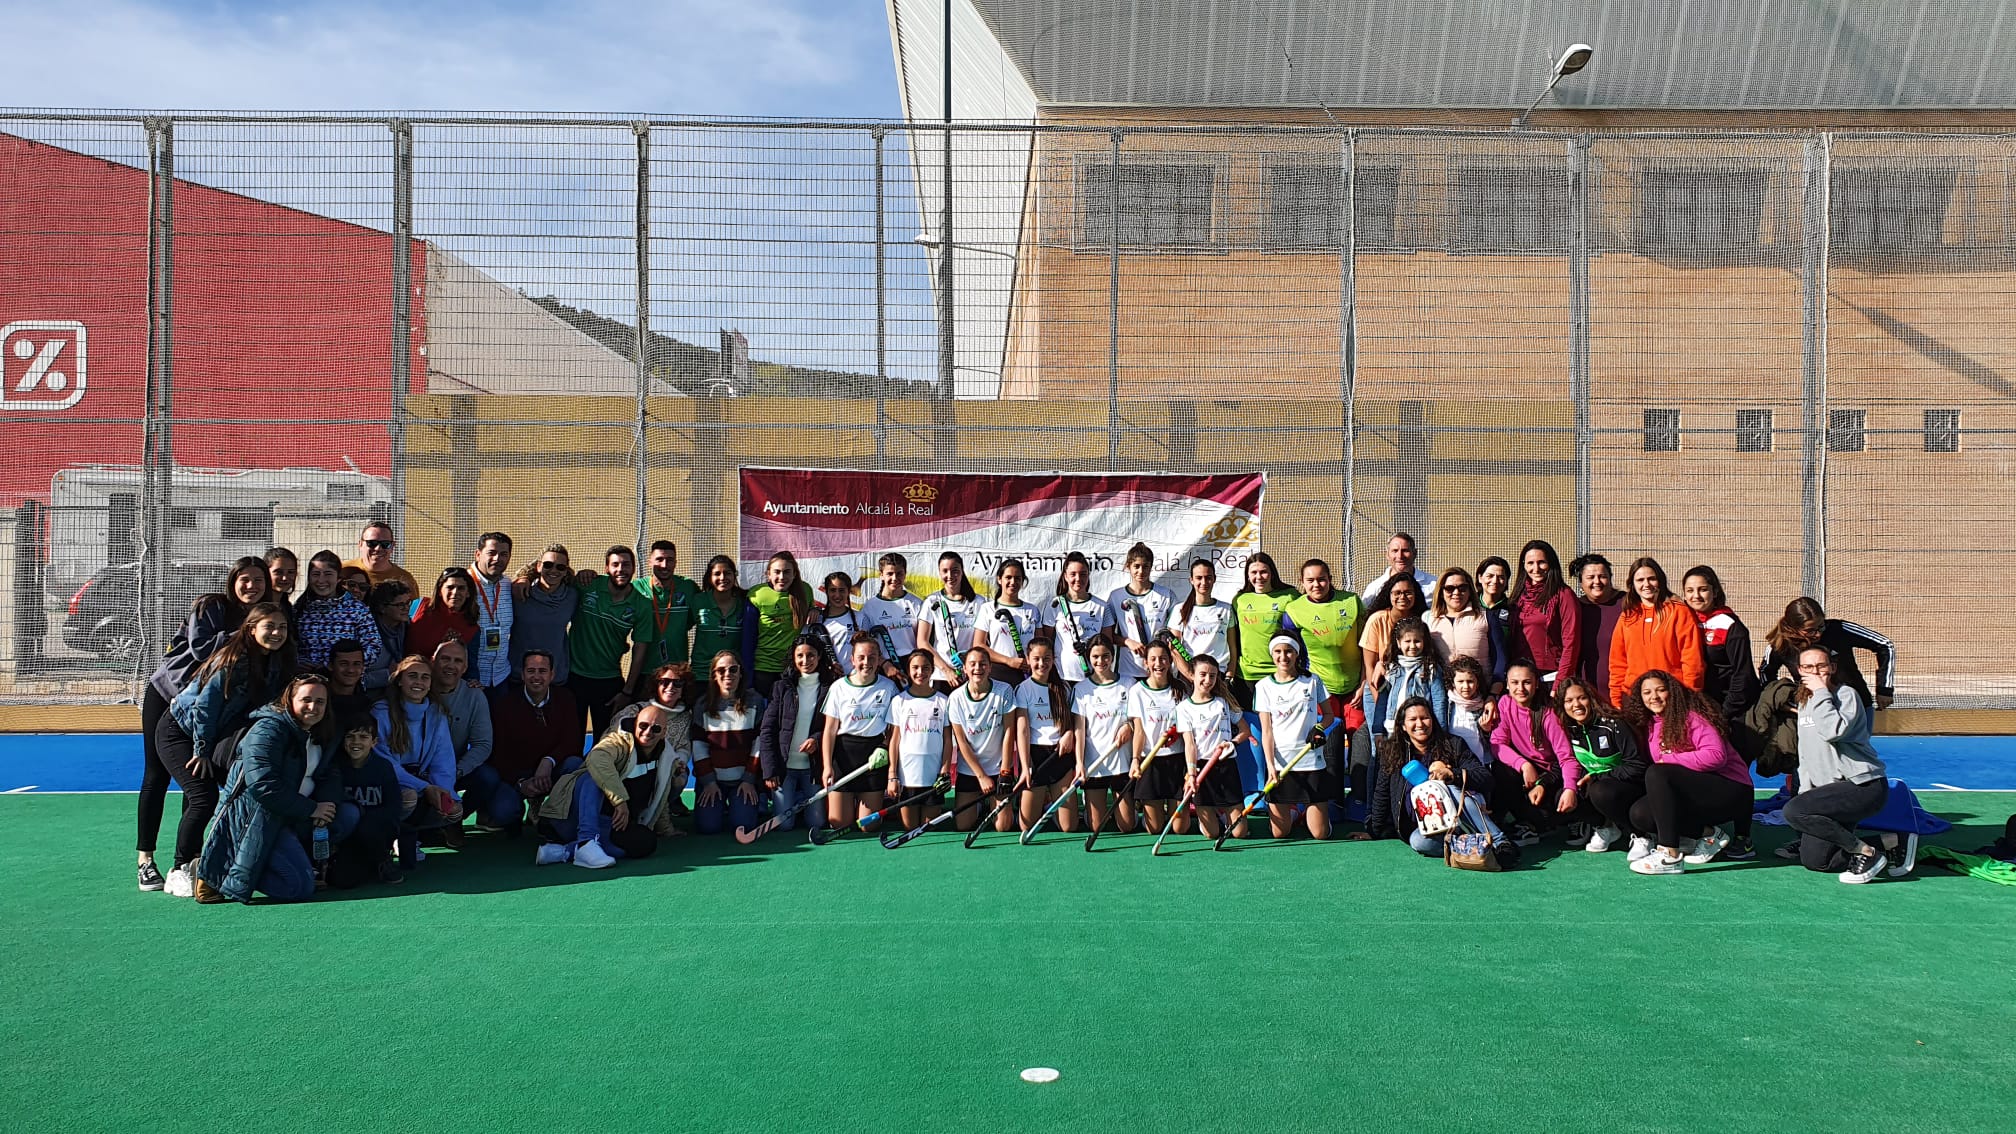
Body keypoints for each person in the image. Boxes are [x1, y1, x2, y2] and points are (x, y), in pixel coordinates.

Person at [137, 556, 268, 891]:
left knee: (198, 781)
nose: (251, 586)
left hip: (206, 704)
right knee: (156, 774)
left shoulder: (265, 618)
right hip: (169, 692)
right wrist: (249, 632)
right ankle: (146, 860)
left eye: (258, 580)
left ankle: (188, 857)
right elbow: (200, 650)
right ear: (233, 580)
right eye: (245, 579)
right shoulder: (211, 606)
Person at [154, 603, 294, 897]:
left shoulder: (276, 662)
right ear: (251, 629)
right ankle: (179, 868)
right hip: (181, 731)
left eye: (282, 627)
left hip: (214, 736)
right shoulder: (234, 660)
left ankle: (207, 862)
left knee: (230, 792)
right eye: (269, 627)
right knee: (203, 796)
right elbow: (206, 706)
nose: (277, 633)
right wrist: (201, 750)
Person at [192, 674, 340, 904]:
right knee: (298, 888)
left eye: (320, 702)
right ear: (289, 700)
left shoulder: (320, 731)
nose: (313, 707)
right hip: (258, 817)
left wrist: (326, 805)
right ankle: (213, 872)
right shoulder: (268, 730)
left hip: (293, 816)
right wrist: (312, 809)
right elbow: (262, 785)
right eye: (306, 700)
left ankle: (297, 863)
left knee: (347, 816)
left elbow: (330, 771)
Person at [1620, 670, 1752, 875]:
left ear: (1671, 692)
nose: (1653, 697)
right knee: (1641, 814)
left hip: (1731, 789)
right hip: (1698, 791)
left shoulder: (1692, 717)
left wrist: (1669, 760)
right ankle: (1709, 835)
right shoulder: (1652, 725)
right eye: (1647, 693)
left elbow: (1716, 756)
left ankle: (1669, 854)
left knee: (1658, 773)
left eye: (1660, 690)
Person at [1783, 646, 1893, 882]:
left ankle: (1867, 853)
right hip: (1828, 793)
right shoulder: (1805, 703)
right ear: (1800, 671)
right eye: (1809, 667)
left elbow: (1833, 731)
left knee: (1793, 811)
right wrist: (1805, 793)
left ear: (1832, 668)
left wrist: (1822, 692)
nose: (1816, 672)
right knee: (1816, 861)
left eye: (1821, 666)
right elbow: (1806, 754)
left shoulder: (1846, 696)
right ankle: (1890, 842)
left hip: (1862, 786)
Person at [1364, 698, 1512, 860]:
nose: (1420, 724)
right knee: (1418, 842)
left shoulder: (1453, 744)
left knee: (1449, 788)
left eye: (1424, 718)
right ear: (1403, 726)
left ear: (1433, 720)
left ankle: (1500, 842)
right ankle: (1479, 848)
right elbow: (1381, 793)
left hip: (1459, 821)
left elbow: (1486, 779)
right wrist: (1374, 831)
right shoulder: (1392, 751)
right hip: (1425, 828)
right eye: (1413, 719)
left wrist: (1452, 775)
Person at [533, 704, 678, 869]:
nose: (648, 732)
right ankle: (587, 840)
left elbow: (660, 795)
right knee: (592, 776)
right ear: (635, 723)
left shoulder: (666, 757)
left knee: (646, 843)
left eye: (656, 728)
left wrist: (666, 828)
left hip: (612, 823)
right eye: (643, 725)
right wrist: (619, 800)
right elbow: (597, 758)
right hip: (573, 815)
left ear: (664, 732)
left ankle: (566, 851)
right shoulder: (619, 741)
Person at [477, 650, 584, 835]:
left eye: (542, 671)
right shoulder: (505, 705)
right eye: (531, 671)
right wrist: (521, 783)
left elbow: (572, 742)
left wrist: (548, 761)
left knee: (575, 764)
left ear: (552, 675)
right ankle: (519, 810)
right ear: (522, 674)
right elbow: (499, 754)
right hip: (519, 774)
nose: (536, 677)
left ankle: (552, 811)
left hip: (551, 770)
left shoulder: (566, 699)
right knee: (503, 812)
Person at [1282, 558, 1364, 780]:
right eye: (1310, 580)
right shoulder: (1294, 610)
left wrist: (1364, 682)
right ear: (1301, 582)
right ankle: (1332, 801)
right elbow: (1291, 651)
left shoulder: (1351, 602)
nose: (1316, 585)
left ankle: (1357, 798)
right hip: (1321, 690)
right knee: (1328, 744)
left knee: (1359, 742)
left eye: (1321, 579)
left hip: (1354, 687)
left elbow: (1367, 646)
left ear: (1330, 579)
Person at [372, 655, 461, 859]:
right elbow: (386, 765)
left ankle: (414, 834)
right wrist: (425, 788)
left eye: (425, 677)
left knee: (455, 810)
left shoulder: (436, 714)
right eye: (412, 676)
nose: (418, 682)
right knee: (408, 797)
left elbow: (443, 762)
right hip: (392, 785)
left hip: (423, 783)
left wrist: (446, 795)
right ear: (400, 680)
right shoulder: (381, 713)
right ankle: (391, 836)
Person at [567, 545, 658, 736]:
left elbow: (639, 651)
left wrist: (627, 691)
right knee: (571, 739)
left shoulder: (642, 604)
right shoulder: (588, 585)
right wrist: (525, 578)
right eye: (615, 564)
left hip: (608, 681)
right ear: (606, 568)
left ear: (634, 568)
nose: (620, 570)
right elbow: (555, 575)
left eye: (626, 565)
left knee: (606, 742)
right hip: (574, 676)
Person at [1251, 635, 1335, 840]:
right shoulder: (1263, 686)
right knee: (1280, 833)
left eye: (1288, 651)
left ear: (1297, 653)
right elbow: (1267, 732)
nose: (1283, 656)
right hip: (1281, 764)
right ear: (1272, 654)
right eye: (1278, 652)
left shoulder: (1313, 681)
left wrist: (1319, 727)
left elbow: (1329, 716)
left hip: (1310, 761)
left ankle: (1314, 815)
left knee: (1320, 834)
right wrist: (1271, 767)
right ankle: (1295, 812)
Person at [1488, 661, 1583, 841]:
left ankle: (1574, 819)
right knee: (1502, 771)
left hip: (1553, 773)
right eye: (1515, 683)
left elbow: (1567, 758)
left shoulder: (1549, 714)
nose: (1520, 688)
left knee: (1562, 799)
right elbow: (1496, 744)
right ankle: (1522, 822)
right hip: (1530, 770)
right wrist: (1523, 765)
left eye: (1527, 682)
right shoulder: (1505, 703)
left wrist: (1570, 789)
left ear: (1536, 684)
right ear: (1507, 684)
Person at [1556, 675, 1650, 856]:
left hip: (1632, 787)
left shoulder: (1614, 724)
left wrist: (1599, 777)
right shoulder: (1568, 730)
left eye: (1581, 698)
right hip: (1599, 786)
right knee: (1562, 795)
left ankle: (1641, 835)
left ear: (1591, 699)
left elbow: (1637, 766)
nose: (1576, 705)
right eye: (1569, 700)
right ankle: (1605, 827)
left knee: (1599, 790)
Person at [1758, 597, 1896, 711]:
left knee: (1854, 745)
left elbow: (1884, 645)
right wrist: (1781, 700)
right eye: (1810, 630)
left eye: (1821, 626)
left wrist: (1884, 689)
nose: (1818, 634)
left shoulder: (1839, 629)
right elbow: (1766, 672)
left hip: (1855, 705)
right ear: (1793, 627)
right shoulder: (1780, 644)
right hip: (1810, 708)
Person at [1608, 557, 1706, 709]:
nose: (1646, 584)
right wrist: (1616, 699)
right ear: (1633, 584)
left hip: (1671, 697)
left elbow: (1692, 660)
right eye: (1640, 580)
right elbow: (1617, 663)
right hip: (1635, 698)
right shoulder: (1627, 617)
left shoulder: (1679, 612)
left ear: (1660, 580)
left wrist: (1691, 696)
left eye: (1651, 579)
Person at [759, 641, 836, 832]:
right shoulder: (781, 687)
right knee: (785, 825)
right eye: (800, 655)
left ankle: (801, 801)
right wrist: (770, 770)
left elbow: (833, 726)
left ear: (819, 657)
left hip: (812, 770)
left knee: (817, 824)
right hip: (785, 769)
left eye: (811, 655)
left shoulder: (831, 687)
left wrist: (816, 740)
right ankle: (795, 800)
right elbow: (767, 730)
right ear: (793, 658)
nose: (805, 660)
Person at [1176, 654, 1252, 841]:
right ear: (1191, 675)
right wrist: (1192, 773)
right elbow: (1190, 744)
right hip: (1202, 768)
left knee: (1239, 833)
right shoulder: (1184, 708)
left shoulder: (1223, 702)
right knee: (1212, 834)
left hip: (1226, 766)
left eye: (1212, 675)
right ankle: (1213, 819)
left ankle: (1228, 817)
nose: (1208, 680)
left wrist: (1232, 743)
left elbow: (1245, 731)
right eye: (1203, 674)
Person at [326, 713, 403, 888]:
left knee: (369, 828)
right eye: (350, 737)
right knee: (341, 881)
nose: (356, 742)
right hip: (348, 834)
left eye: (363, 737)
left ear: (374, 742)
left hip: (377, 830)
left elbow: (394, 807)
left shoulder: (383, 767)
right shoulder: (336, 767)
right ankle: (368, 865)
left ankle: (383, 860)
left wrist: (367, 821)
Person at [693, 649, 766, 835]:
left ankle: (742, 805)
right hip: (713, 782)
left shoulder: (755, 701)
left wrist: (750, 779)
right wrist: (709, 782)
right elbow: (699, 747)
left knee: (743, 826)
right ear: (714, 675)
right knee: (709, 827)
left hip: (743, 781)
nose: (728, 675)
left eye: (733, 669)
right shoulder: (702, 705)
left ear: (741, 673)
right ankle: (719, 806)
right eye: (721, 670)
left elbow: (759, 744)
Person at [948, 645, 1019, 832]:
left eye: (982, 664)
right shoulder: (955, 698)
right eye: (972, 664)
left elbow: (1008, 733)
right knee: (963, 825)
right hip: (971, 770)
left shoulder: (1004, 691)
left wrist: (1005, 771)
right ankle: (980, 805)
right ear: (964, 668)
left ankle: (999, 803)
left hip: (998, 768)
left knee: (1003, 827)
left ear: (990, 667)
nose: (977, 668)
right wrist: (981, 776)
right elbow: (961, 742)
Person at [430, 639, 493, 846]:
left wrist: (455, 771)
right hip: (418, 770)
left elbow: (482, 744)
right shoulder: (418, 688)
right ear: (433, 661)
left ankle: (454, 819)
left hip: (455, 769)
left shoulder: (475, 696)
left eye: (457, 661)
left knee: (488, 778)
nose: (451, 665)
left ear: (465, 667)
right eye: (445, 659)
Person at [1013, 637, 1079, 832]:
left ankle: (1050, 805)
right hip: (1036, 756)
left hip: (1060, 754)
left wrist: (1068, 733)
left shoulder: (1064, 688)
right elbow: (1023, 731)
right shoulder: (1023, 690)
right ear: (1028, 659)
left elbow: (1073, 720)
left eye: (1047, 658)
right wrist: (1025, 768)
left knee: (1069, 827)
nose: (1042, 664)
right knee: (1026, 826)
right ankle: (1042, 801)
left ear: (1054, 659)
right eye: (1037, 659)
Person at [1073, 638, 1137, 835]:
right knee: (1096, 826)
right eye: (1095, 657)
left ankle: (1121, 811)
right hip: (1095, 764)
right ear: (1089, 658)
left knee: (1127, 826)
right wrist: (1079, 763)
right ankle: (1092, 809)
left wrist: (1129, 725)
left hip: (1122, 763)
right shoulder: (1082, 689)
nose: (1101, 661)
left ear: (1113, 656)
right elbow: (1079, 730)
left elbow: (1138, 721)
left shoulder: (1128, 684)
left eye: (1105, 656)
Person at [1127, 638, 1188, 834]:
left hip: (1177, 760)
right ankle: (1145, 812)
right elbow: (1139, 730)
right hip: (1150, 760)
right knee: (1155, 829)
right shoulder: (1137, 691)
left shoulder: (1180, 689)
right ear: (1146, 662)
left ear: (1170, 661)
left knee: (1180, 828)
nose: (1158, 663)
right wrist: (1136, 760)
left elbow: (1187, 729)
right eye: (1152, 659)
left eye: (1163, 659)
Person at [1682, 565, 1759, 722]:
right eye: (1690, 590)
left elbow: (1742, 674)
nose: (1696, 595)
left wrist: (1725, 712)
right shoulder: (1684, 621)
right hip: (1696, 706)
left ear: (1715, 592)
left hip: (1728, 710)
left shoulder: (1730, 625)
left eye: (1702, 589)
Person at [1504, 539, 1582, 691]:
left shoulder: (1563, 595)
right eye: (1530, 563)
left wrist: (1561, 681)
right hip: (1521, 677)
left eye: (1541, 562)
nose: (1536, 568)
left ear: (1551, 564)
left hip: (1550, 677)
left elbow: (1571, 642)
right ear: (1523, 565)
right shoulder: (1518, 596)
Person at [888, 649, 952, 831]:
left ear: (932, 670)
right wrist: (892, 775)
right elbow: (894, 740)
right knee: (910, 827)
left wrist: (945, 770)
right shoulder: (899, 701)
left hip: (933, 776)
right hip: (907, 776)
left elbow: (948, 740)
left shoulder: (943, 700)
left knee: (928, 828)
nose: (920, 673)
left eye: (925, 668)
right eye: (915, 668)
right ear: (908, 670)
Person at [293, 550, 383, 673]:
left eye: (328, 574)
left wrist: (343, 665)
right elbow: (290, 646)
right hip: (306, 683)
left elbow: (373, 647)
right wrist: (297, 662)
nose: (321, 580)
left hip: (344, 684)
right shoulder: (300, 609)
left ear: (338, 579)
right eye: (316, 574)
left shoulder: (357, 610)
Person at [1229, 552, 1298, 703]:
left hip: (1279, 671)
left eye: (1263, 572)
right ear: (1247, 575)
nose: (1259, 577)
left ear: (1272, 573)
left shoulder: (1290, 596)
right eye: (1254, 572)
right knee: (1252, 724)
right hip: (1247, 674)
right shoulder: (1239, 600)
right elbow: (1233, 638)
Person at [1364, 617, 1450, 738]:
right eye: (1407, 641)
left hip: (1421, 729)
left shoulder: (1430, 669)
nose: (1412, 646)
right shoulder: (1391, 669)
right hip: (1393, 729)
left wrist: (1441, 733)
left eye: (1417, 641)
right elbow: (1382, 701)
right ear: (1399, 643)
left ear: (1424, 642)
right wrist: (1378, 730)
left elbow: (1439, 702)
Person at [510, 544, 579, 685]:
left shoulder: (573, 596)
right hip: (518, 676)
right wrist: (522, 578)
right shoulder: (520, 593)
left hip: (555, 677)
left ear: (566, 571)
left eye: (560, 567)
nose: (553, 570)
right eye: (548, 565)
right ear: (539, 567)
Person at [1106, 542, 1175, 682]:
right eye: (1136, 566)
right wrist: (1127, 642)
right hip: (1128, 671)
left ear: (1151, 567)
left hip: (1158, 670)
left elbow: (1175, 635)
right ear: (1128, 567)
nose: (1141, 571)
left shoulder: (1166, 595)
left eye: (1145, 566)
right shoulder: (1116, 597)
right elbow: (1107, 635)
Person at [749, 551, 816, 691]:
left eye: (787, 572)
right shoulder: (757, 595)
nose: (782, 577)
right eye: (777, 572)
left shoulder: (805, 591)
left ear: (794, 574)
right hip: (764, 668)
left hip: (793, 667)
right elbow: (748, 637)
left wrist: (816, 610)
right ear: (768, 574)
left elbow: (813, 614)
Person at [1427, 566, 1502, 685]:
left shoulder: (1486, 617)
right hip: (1442, 694)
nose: (1456, 593)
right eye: (1449, 588)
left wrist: (1494, 691)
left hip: (1480, 693)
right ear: (1441, 592)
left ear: (1469, 591)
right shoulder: (1429, 619)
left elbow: (1500, 657)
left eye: (1462, 588)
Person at [916, 552, 980, 689]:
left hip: (972, 674)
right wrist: (946, 670)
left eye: (955, 571)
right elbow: (922, 642)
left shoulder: (979, 602)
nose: (950, 576)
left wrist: (970, 664)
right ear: (939, 573)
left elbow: (982, 641)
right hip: (943, 676)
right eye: (945, 571)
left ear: (962, 571)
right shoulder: (931, 602)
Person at [860, 552, 924, 684]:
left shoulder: (916, 603)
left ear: (905, 574)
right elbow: (865, 643)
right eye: (890, 574)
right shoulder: (870, 607)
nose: (895, 578)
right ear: (881, 575)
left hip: (913, 666)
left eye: (899, 573)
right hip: (885, 668)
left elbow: (924, 640)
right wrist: (883, 663)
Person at [1045, 552, 1109, 686]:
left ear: (1089, 575)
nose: (1078, 578)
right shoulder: (1055, 605)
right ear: (1065, 576)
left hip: (1094, 676)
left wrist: (1088, 647)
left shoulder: (1102, 607)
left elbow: (1108, 643)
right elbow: (1047, 642)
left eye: (1083, 574)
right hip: (1062, 676)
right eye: (1073, 574)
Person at [691, 554, 758, 680]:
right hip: (702, 674)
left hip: (731, 675)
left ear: (734, 575)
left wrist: (808, 606)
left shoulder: (745, 603)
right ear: (710, 577)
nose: (722, 578)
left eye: (727, 573)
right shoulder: (698, 601)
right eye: (717, 574)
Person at [1356, 572, 1424, 697]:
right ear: (1389, 595)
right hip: (1379, 686)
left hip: (1413, 687)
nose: (1402, 597)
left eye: (1408, 592)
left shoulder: (1422, 620)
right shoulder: (1377, 620)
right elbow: (1369, 666)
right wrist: (1378, 701)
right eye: (1397, 593)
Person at [1169, 558, 1233, 685]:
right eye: (1199, 578)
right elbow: (1174, 648)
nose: (1204, 582)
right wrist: (1190, 675)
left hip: (1218, 676)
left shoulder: (1227, 609)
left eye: (1208, 577)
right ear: (1191, 580)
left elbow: (1232, 647)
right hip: (1190, 676)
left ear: (1214, 579)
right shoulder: (1179, 610)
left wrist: (1229, 675)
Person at [1569, 553, 1628, 688]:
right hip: (1587, 691)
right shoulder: (1575, 608)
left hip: (1623, 687)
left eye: (1602, 577)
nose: (1597, 582)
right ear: (1581, 582)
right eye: (1590, 577)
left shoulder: (1627, 603)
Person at [977, 558, 1041, 682]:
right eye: (1008, 577)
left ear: (1023, 581)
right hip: (998, 672)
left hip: (1027, 672)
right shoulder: (987, 609)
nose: (1013, 582)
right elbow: (979, 645)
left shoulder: (1032, 610)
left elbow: (1041, 644)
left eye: (1017, 578)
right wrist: (1008, 661)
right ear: (999, 579)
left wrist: (1031, 660)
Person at [465, 532, 514, 688]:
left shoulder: (508, 584)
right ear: (478, 554)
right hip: (470, 679)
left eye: (503, 554)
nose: (497, 559)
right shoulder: (462, 585)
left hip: (501, 677)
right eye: (491, 553)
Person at [408, 566, 480, 665]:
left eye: (461, 588)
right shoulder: (418, 606)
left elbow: (470, 664)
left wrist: (473, 679)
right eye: (450, 587)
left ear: (468, 593)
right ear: (440, 591)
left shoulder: (471, 627)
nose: (455, 593)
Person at [1359, 532, 1437, 605]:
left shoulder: (1434, 585)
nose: (1400, 556)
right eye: (1395, 551)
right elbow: (1363, 616)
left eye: (1405, 551)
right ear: (1387, 555)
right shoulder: (1375, 588)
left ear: (1415, 553)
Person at [342, 520, 419, 595]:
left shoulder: (405, 579)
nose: (378, 548)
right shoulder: (343, 570)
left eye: (385, 544)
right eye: (372, 543)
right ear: (360, 544)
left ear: (392, 546)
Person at [362, 581, 414, 691]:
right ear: (382, 608)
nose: (406, 608)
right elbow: (356, 679)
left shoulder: (409, 627)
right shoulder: (366, 633)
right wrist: (388, 674)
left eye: (408, 602)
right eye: (400, 605)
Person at [1446, 656, 1498, 763]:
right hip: (1454, 761)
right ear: (1452, 682)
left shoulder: (1484, 705)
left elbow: (1493, 740)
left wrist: (1486, 730)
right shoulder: (1447, 704)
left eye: (1470, 681)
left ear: (1477, 683)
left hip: (1480, 760)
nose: (1466, 686)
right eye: (1460, 681)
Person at [808, 570, 860, 674]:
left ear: (848, 591)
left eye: (841, 590)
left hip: (854, 680)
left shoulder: (860, 617)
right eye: (833, 590)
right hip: (825, 680)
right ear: (826, 591)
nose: (837, 595)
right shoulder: (816, 619)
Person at [1476, 556, 1514, 687]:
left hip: (1502, 678)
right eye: (1490, 576)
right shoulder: (1469, 606)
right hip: (1472, 678)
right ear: (1480, 577)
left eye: (1501, 577)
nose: (1495, 581)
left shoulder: (1513, 610)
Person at [264, 547, 299, 619]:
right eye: (278, 572)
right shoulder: (256, 607)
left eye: (290, 572)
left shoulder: (287, 607)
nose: (285, 578)